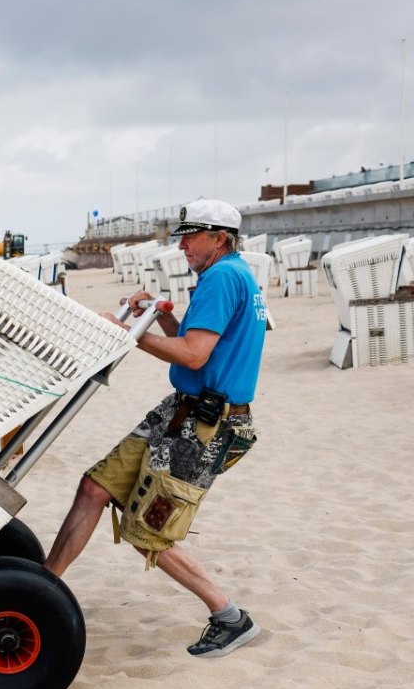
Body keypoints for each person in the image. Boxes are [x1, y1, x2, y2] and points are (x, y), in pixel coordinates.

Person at [43, 198, 267, 659]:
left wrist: (126, 333)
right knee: (94, 487)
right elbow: (197, 340)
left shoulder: (224, 277)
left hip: (208, 423)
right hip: (183, 410)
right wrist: (158, 315)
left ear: (219, 237)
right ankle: (42, 589)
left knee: (145, 530)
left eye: (191, 236)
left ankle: (230, 618)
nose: (182, 245)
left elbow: (192, 356)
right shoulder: (233, 273)